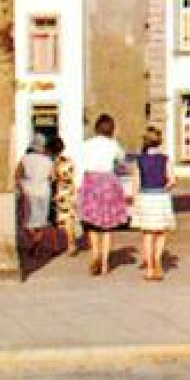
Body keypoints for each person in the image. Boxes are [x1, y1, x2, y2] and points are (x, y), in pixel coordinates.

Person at [78, 113, 129, 276]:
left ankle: (95, 255)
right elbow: (122, 160)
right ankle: (106, 263)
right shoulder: (113, 145)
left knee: (92, 224)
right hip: (107, 182)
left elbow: (81, 163)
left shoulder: (86, 144)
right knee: (107, 226)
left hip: (91, 181)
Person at [130, 126, 176, 281]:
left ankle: (149, 268)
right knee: (161, 231)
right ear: (159, 141)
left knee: (148, 234)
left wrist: (135, 202)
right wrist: (165, 188)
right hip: (161, 197)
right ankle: (158, 260)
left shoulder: (139, 160)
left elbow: (135, 183)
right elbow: (172, 180)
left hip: (145, 197)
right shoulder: (165, 159)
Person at [15, 132, 54, 261]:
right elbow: (51, 177)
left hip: (29, 191)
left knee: (27, 221)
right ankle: (36, 243)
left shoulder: (25, 158)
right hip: (44, 191)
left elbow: (17, 175)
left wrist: (21, 187)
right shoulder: (48, 160)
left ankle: (34, 241)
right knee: (41, 221)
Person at [48, 134, 82, 255]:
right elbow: (73, 176)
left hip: (58, 192)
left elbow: (51, 177)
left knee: (56, 222)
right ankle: (71, 244)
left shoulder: (53, 162)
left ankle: (55, 246)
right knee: (69, 220)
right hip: (70, 191)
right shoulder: (69, 160)